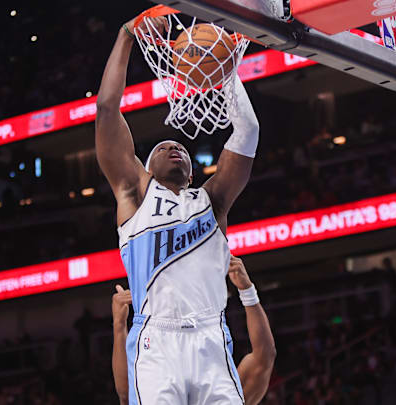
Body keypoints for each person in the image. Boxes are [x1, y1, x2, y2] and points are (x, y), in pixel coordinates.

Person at [96, 11, 260, 405]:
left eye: (182, 148)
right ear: (145, 167)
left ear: (191, 172)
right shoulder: (134, 196)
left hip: (210, 339)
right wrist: (126, 35)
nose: (174, 147)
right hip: (157, 342)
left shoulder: (212, 200)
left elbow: (248, 131)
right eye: (163, 147)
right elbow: (106, 109)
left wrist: (225, 68)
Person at [112, 256, 275, 405]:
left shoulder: (223, 388)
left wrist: (247, 291)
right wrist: (119, 326)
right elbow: (127, 394)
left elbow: (264, 357)